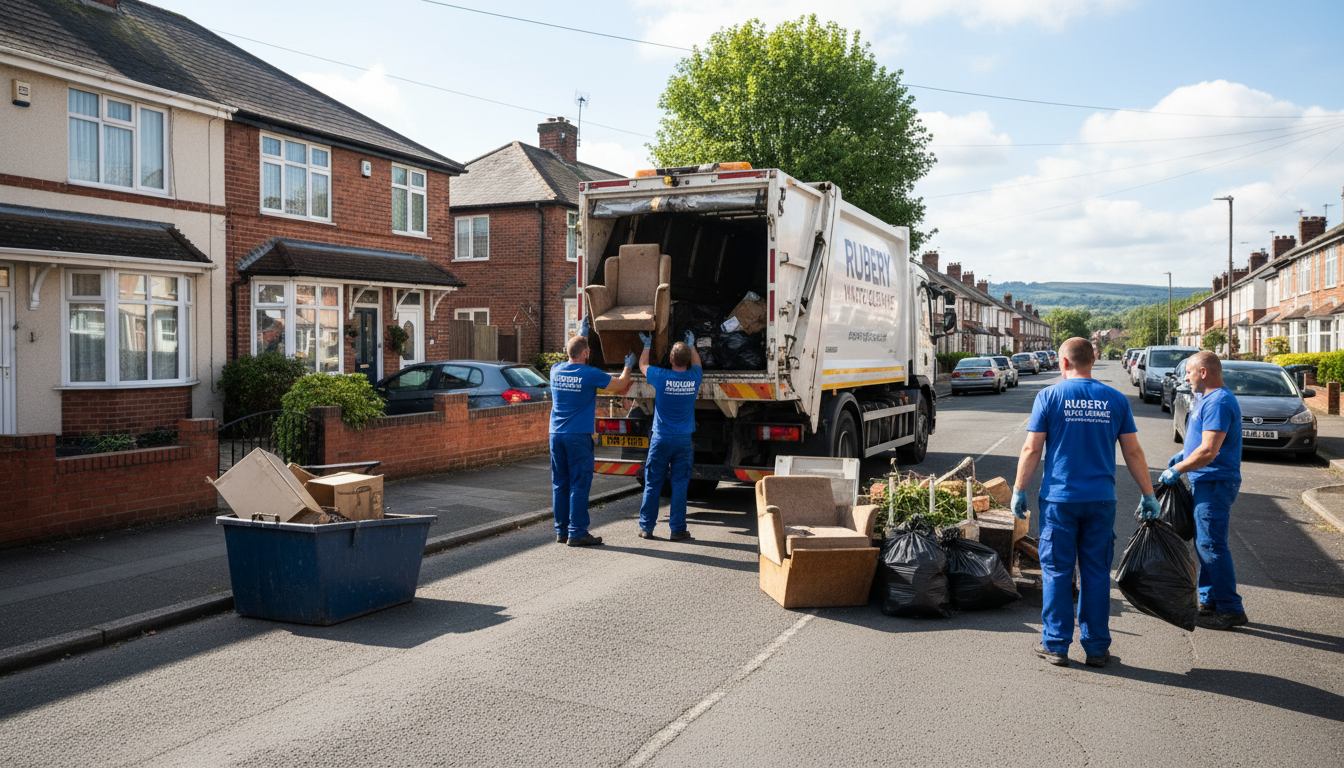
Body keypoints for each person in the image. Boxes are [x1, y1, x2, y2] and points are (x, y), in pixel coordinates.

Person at [1011, 337, 1158, 668]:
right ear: (1093, 360)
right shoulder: (1116, 399)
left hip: (1059, 500)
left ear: (1064, 363)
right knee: (1095, 572)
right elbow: (1133, 451)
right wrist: (1149, 494)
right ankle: (1095, 648)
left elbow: (1032, 449)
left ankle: (1056, 645)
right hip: (1101, 500)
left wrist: (1019, 489)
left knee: (1057, 572)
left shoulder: (1049, 396)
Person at [1152, 350, 1246, 630]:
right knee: (1204, 543)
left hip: (1214, 482)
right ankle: (1209, 599)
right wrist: (1184, 454)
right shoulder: (1208, 399)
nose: (1186, 378)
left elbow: (1209, 450)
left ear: (1203, 372)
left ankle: (1230, 608)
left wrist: (1178, 470)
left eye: (1189, 372)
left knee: (1211, 545)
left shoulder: (1218, 401)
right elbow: (1200, 443)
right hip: (1206, 480)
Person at [549, 317, 634, 547]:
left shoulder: (555, 370)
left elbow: (574, 350)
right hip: (578, 437)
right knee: (579, 483)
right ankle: (577, 533)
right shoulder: (590, 374)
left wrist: (581, 335)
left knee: (560, 483)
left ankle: (562, 531)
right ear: (586, 353)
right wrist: (628, 364)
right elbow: (620, 384)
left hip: (556, 435)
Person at [635, 330, 703, 540]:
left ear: (671, 359)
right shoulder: (694, 376)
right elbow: (698, 364)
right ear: (688, 361)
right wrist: (692, 346)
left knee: (653, 482)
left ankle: (647, 527)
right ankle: (678, 529)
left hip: (661, 438)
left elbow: (642, 366)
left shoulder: (661, 376)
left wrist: (647, 345)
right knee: (680, 485)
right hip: (683, 440)